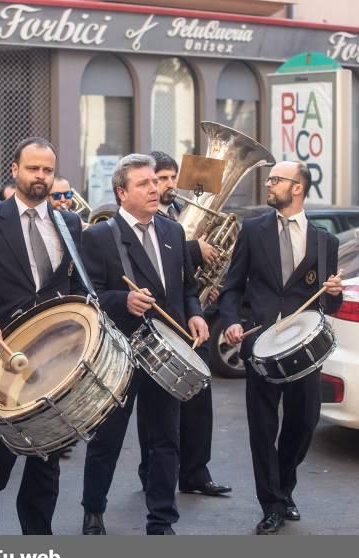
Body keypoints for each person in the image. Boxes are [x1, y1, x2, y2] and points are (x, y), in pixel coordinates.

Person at [0, 137, 85, 535]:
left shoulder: (68, 221)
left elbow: (75, 288)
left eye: (47, 170)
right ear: (15, 170)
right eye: (33, 169)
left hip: (52, 362)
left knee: (47, 462)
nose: (40, 177)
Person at [79, 153, 208, 536]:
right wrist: (124, 301)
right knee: (108, 438)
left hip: (166, 351)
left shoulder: (173, 230)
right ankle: (93, 510)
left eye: (155, 182)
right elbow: (88, 297)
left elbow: (188, 288)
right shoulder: (99, 236)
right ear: (122, 193)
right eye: (144, 184)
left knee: (166, 439)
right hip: (121, 353)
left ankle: (161, 518)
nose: (155, 189)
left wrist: (196, 313)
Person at [221, 160, 343, 535]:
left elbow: (329, 303)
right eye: (269, 178)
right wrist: (231, 321)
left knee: (303, 423)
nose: (268, 184)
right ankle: (271, 503)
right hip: (260, 347)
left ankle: (285, 484)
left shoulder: (326, 242)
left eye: (276, 180)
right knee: (262, 429)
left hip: (303, 352)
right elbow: (232, 286)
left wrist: (336, 294)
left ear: (298, 189)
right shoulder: (253, 230)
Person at [139, 151, 230, 498]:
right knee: (156, 409)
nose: (168, 185)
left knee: (199, 401)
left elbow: (187, 276)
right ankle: (152, 472)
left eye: (172, 178)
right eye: (160, 178)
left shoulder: (181, 214)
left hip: (188, 318)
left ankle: (196, 472)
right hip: (156, 324)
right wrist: (195, 249)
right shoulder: (148, 219)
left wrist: (210, 280)